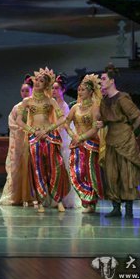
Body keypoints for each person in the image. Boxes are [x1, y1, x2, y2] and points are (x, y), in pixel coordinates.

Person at [16, 67, 69, 213]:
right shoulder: (27, 101)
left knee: (56, 167)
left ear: (46, 85)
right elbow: (19, 121)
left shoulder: (51, 101)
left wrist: (47, 130)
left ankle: (58, 200)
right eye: (37, 80)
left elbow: (62, 118)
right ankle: (39, 201)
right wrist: (34, 131)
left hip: (49, 136)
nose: (38, 82)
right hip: (35, 137)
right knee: (37, 168)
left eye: (41, 81)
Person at [99, 63, 140, 218]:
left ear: (111, 81)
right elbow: (105, 119)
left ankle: (129, 208)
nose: (101, 81)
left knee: (126, 173)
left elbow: (138, 117)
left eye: (103, 79)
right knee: (111, 173)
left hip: (124, 138)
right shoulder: (104, 101)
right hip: (111, 138)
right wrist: (102, 123)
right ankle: (116, 207)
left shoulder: (122, 98)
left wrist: (130, 130)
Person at [59, 74, 104, 213]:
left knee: (89, 173)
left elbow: (95, 128)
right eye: (79, 89)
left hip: (90, 144)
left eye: (83, 89)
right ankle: (87, 199)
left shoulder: (95, 108)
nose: (80, 92)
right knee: (75, 173)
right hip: (77, 144)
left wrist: (82, 137)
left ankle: (91, 203)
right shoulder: (75, 107)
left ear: (90, 92)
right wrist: (74, 136)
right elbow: (66, 123)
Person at [0, 76, 36, 206]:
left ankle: (32, 196)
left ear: (32, 91)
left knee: (33, 167)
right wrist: (23, 129)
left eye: (27, 90)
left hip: (33, 140)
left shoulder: (35, 106)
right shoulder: (17, 107)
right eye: (22, 90)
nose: (24, 93)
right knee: (17, 168)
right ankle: (16, 196)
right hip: (20, 141)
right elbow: (12, 123)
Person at [52, 75, 81, 209]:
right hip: (52, 139)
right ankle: (55, 198)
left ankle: (65, 198)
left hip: (62, 141)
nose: (54, 91)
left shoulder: (64, 106)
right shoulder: (51, 105)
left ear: (63, 90)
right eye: (52, 88)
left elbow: (64, 125)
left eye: (57, 88)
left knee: (64, 170)